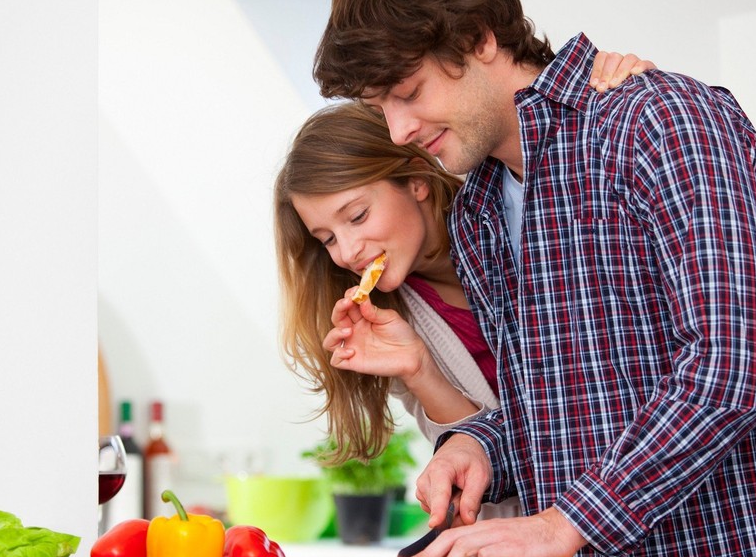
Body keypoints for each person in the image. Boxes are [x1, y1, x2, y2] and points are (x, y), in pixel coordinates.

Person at [311, 0, 756, 557]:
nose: (399, 131)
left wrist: (565, 523)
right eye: (379, 106)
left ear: (479, 37)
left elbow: (730, 368)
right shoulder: (478, 209)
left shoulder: (657, 122)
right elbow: (561, 406)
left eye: (408, 91)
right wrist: (479, 445)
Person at [276, 55, 653, 520]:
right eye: (327, 239)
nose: (348, 250)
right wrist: (418, 370)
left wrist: (611, 75)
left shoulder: (509, 218)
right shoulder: (389, 320)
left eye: (357, 216)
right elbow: (487, 460)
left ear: (415, 182)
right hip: (538, 528)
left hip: (636, 499)